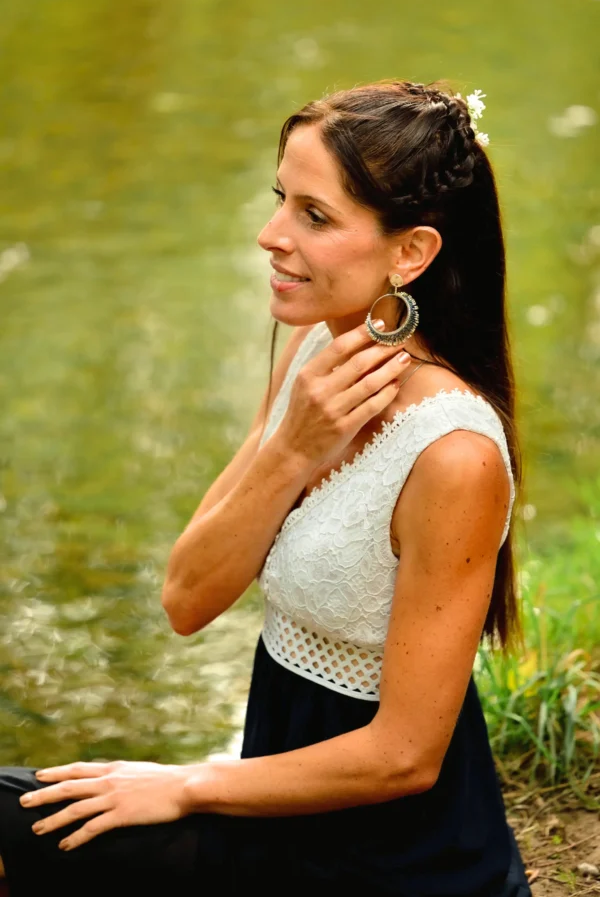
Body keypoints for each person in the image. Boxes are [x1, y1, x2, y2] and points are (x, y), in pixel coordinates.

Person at [0, 79, 533, 896]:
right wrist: (291, 448)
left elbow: (405, 756)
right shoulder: (314, 355)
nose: (270, 235)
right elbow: (187, 597)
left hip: (388, 861)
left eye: (314, 217)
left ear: (411, 253)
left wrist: (183, 784)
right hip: (270, 799)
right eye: (282, 199)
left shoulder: (453, 455)